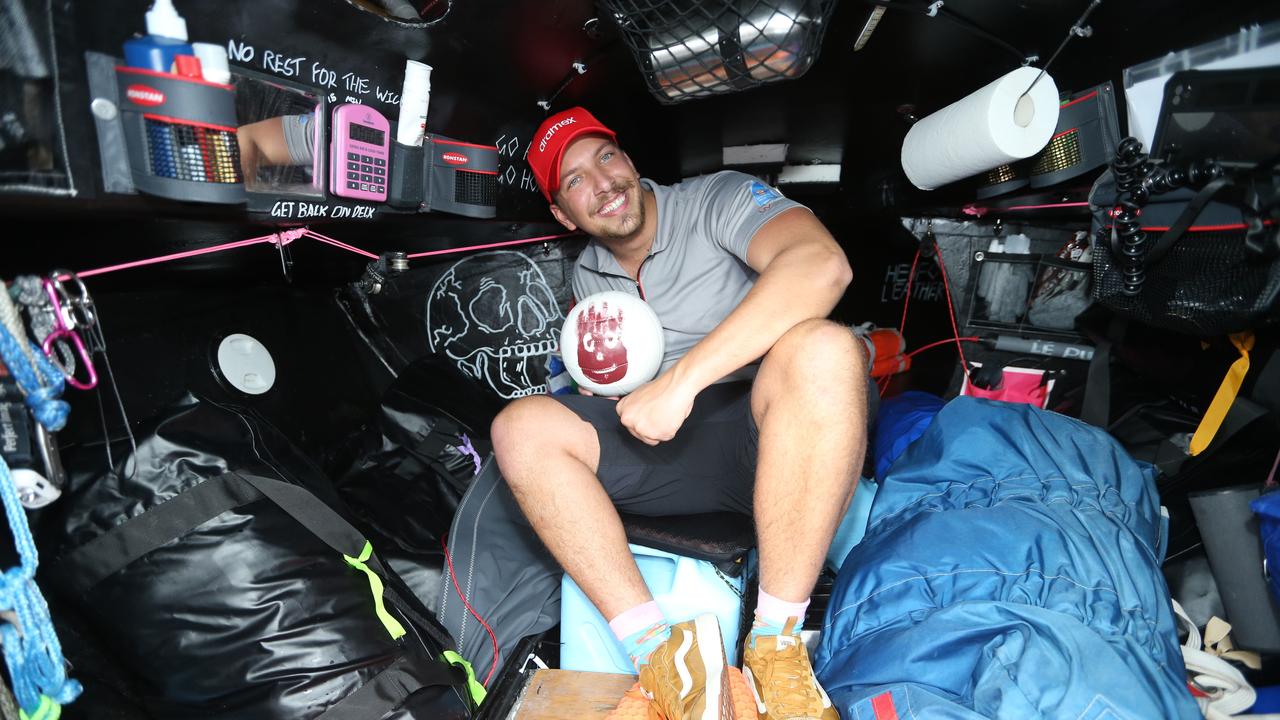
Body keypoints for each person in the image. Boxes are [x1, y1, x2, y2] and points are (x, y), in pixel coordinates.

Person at [491, 107, 868, 720]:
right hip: (670, 451)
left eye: (605, 157)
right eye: (575, 180)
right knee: (519, 426)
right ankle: (663, 659)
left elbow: (822, 265)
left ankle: (775, 647)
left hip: (773, 432)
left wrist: (684, 381)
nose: (603, 182)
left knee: (826, 346)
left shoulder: (715, 199)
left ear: (630, 160)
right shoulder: (587, 273)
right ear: (563, 213)